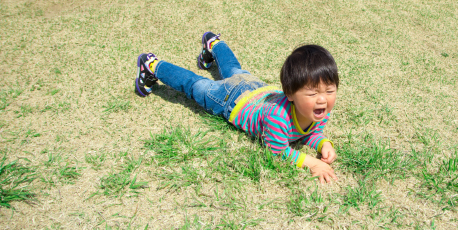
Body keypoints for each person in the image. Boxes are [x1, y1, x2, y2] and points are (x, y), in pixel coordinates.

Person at [135, 33, 338, 183]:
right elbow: (278, 151)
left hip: (258, 88)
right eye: (312, 94)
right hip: (232, 99)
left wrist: (323, 144)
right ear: (290, 94)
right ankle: (151, 65)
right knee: (195, 85)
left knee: (234, 69)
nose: (322, 100)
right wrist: (313, 163)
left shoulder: (321, 111)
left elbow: (309, 132)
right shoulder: (277, 116)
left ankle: (214, 43)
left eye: (329, 91)